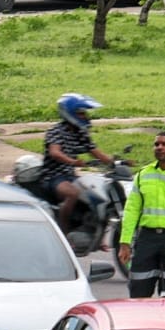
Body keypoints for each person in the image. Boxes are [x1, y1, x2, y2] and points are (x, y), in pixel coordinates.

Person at [118, 131, 165, 297]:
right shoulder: (143, 174)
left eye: (164, 144)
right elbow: (132, 210)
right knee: (138, 289)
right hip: (147, 239)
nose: (160, 147)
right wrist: (125, 243)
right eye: (156, 144)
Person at [41, 92, 115, 235]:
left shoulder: (80, 132)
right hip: (54, 177)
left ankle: (93, 233)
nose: (85, 116)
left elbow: (95, 152)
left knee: (95, 194)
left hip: (70, 175)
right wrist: (73, 161)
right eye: (81, 113)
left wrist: (115, 163)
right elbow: (55, 152)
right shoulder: (55, 131)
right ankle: (63, 233)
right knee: (73, 194)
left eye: (84, 113)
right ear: (69, 113)